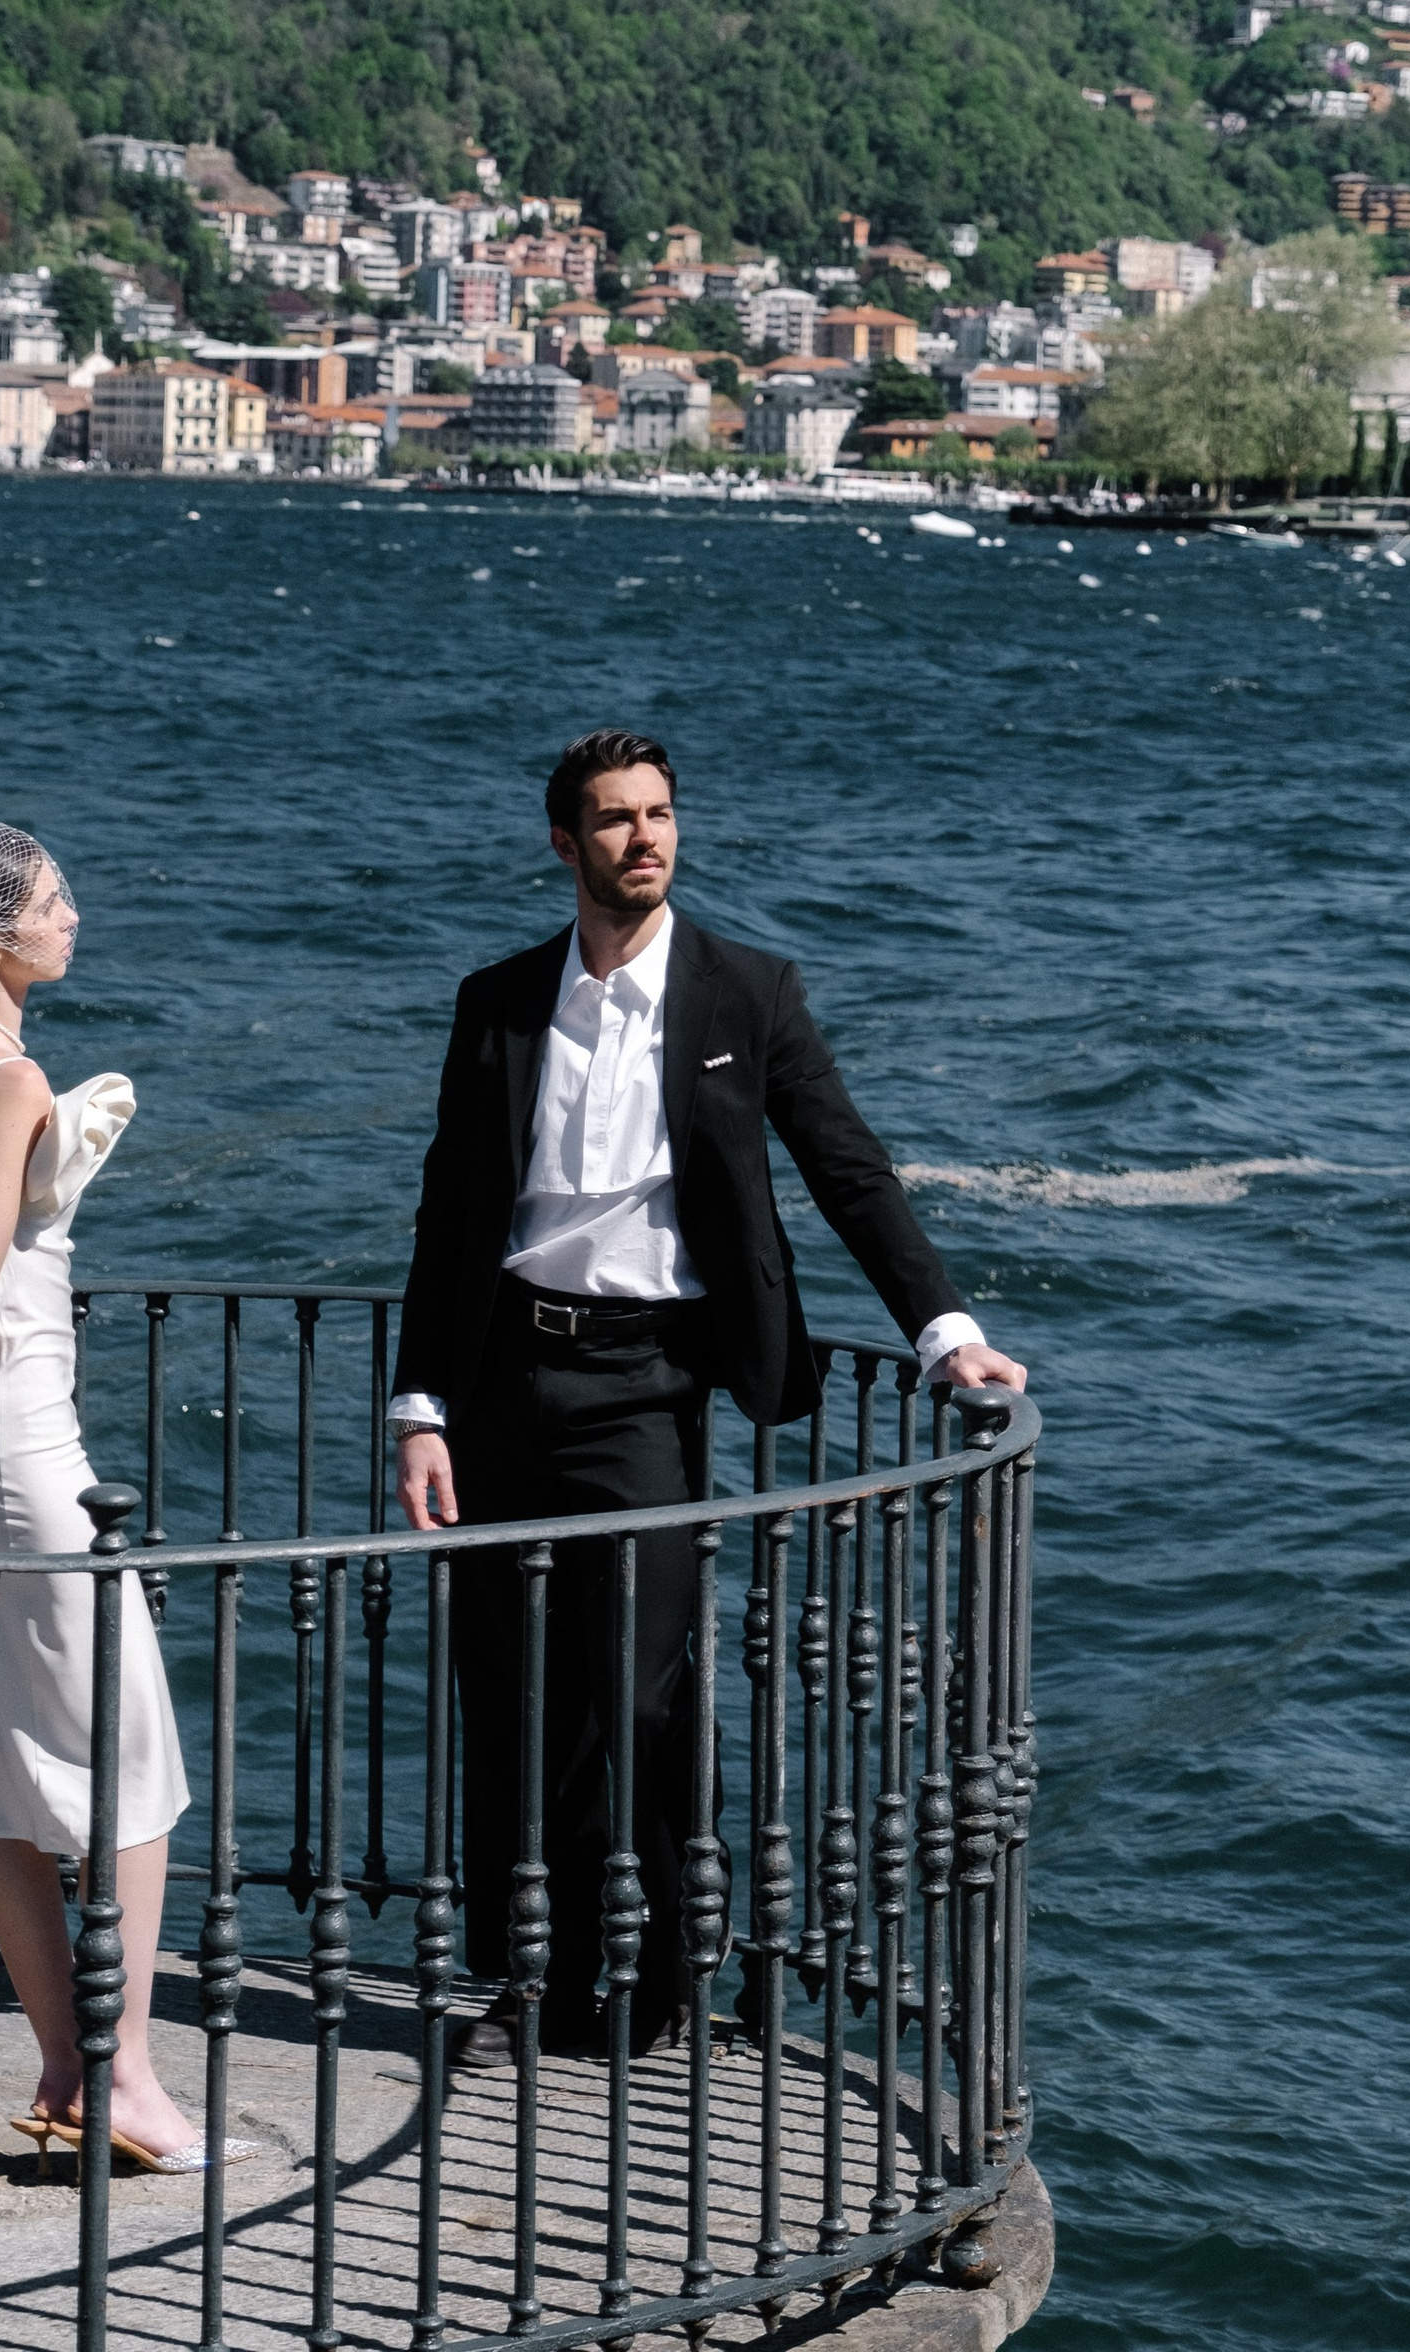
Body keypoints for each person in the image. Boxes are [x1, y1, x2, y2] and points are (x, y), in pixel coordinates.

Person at [390, 728, 1025, 2065]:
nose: (646, 839)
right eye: (616, 820)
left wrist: (943, 1331)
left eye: (662, 815)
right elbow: (449, 1213)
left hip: (649, 1380)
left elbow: (851, 1171)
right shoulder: (499, 1001)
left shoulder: (750, 992)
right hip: (507, 1364)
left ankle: (646, 1973)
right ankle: (524, 1982)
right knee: (502, 1681)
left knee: (632, 1684)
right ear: (564, 844)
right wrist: (420, 1405)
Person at [0, 822, 221, 2174]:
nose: (73, 916)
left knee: (18, 1773)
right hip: (21, 1446)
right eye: (51, 903)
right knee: (131, 1763)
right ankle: (123, 2075)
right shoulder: (9, 1073)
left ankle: (76, 2073)